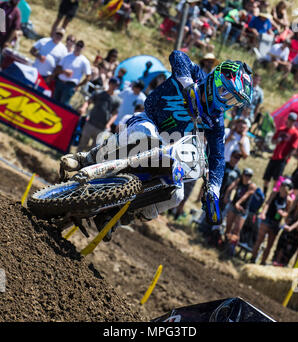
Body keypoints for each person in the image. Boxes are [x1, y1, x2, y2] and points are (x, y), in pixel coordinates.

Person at [60, 50, 253, 225]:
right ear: (216, 81)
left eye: (233, 101)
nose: (227, 102)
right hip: (149, 120)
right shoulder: (195, 75)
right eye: (226, 94)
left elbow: (218, 157)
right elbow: (178, 55)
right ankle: (87, 158)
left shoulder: (216, 121)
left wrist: (214, 191)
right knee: (143, 134)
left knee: (176, 195)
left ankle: (124, 214)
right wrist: (187, 84)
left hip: (170, 147)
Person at [250, 178, 294, 265]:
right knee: (259, 241)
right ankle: (252, 259)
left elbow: (287, 213)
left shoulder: (288, 200)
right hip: (267, 219)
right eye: (282, 186)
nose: (283, 189)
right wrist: (263, 213)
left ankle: (262, 262)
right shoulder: (274, 194)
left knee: (269, 245)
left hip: (276, 223)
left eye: (285, 187)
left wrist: (282, 213)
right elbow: (267, 203)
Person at [77, 77, 121, 151]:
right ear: (109, 83)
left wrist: (109, 124)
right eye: (113, 84)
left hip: (102, 127)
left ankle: (86, 162)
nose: (114, 87)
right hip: (91, 122)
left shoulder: (117, 100)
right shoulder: (99, 93)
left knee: (94, 149)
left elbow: (115, 113)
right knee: (82, 143)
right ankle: (76, 160)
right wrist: (83, 108)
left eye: (116, 85)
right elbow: (88, 101)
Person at [262, 112, 298, 196]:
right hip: (274, 157)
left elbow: (294, 147)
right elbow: (273, 141)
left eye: (293, 121)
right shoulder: (281, 129)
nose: (291, 122)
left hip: (282, 159)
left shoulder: (296, 134)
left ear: (295, 122)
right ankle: (264, 194)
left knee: (277, 180)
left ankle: (272, 196)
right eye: (290, 120)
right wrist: (277, 141)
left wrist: (286, 158)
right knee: (266, 178)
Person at [223, 168, 256, 250]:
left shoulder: (252, 186)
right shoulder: (239, 181)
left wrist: (239, 203)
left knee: (236, 230)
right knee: (228, 226)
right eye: (246, 175)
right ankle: (225, 243)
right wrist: (226, 196)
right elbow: (230, 187)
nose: (247, 177)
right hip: (234, 206)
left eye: (249, 176)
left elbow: (246, 196)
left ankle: (232, 248)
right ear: (243, 175)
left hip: (242, 209)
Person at [53, 40, 92, 106]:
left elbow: (88, 76)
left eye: (81, 46)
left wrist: (78, 85)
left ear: (83, 48)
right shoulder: (67, 55)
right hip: (60, 82)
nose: (78, 47)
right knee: (53, 102)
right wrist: (64, 72)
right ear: (75, 45)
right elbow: (58, 67)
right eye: (78, 45)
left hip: (70, 85)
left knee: (63, 105)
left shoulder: (84, 61)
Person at [272, 195, 298, 267]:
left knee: (285, 255)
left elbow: (297, 223)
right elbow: (286, 220)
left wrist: (291, 228)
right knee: (279, 251)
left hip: (293, 238)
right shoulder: (292, 211)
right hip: (285, 234)